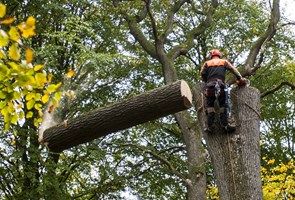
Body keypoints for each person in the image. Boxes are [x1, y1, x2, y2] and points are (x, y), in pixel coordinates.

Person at [200, 49, 246, 132]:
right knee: (223, 105)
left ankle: (210, 126)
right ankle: (225, 125)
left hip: (210, 87)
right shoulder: (224, 62)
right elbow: (233, 70)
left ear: (211, 56)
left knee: (210, 105)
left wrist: (206, 80)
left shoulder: (207, 63)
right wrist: (239, 78)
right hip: (220, 86)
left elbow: (202, 73)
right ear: (219, 55)